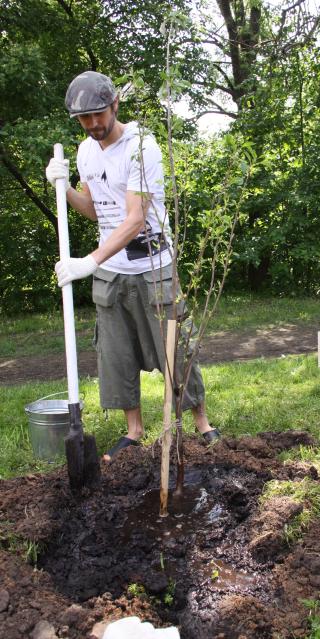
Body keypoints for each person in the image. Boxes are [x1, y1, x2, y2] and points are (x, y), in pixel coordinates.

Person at [46, 70, 220, 461]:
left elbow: (135, 218)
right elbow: (94, 210)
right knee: (116, 351)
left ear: (115, 106)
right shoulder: (85, 151)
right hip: (112, 271)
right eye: (84, 118)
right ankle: (134, 430)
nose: (93, 124)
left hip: (153, 266)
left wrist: (88, 262)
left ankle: (202, 422)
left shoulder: (142, 147)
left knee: (175, 347)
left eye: (98, 114)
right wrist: (65, 189)